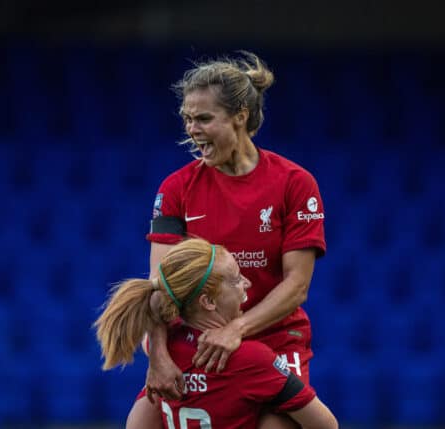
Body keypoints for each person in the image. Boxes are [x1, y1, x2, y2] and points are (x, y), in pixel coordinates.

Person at [131, 51, 329, 429]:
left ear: (240, 115)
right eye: (188, 119)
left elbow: (297, 285)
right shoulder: (176, 188)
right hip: (199, 342)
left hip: (273, 339)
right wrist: (158, 355)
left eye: (204, 118)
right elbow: (160, 287)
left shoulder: (294, 183)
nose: (192, 129)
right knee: (140, 422)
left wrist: (235, 329)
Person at [94, 238, 337, 429]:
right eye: (236, 280)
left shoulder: (163, 353)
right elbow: (326, 424)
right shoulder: (252, 359)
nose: (247, 284)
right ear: (208, 301)